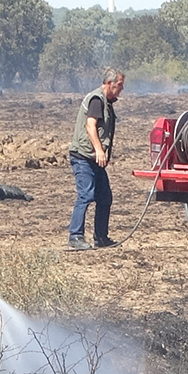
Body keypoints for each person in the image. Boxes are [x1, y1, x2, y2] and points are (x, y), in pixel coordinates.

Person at [67, 68, 124, 250]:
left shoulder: (107, 102)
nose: (121, 90)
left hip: (94, 159)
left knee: (105, 197)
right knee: (86, 195)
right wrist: (99, 150)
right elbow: (90, 126)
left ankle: (101, 237)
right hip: (84, 157)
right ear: (109, 84)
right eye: (119, 85)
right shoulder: (96, 100)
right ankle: (75, 237)